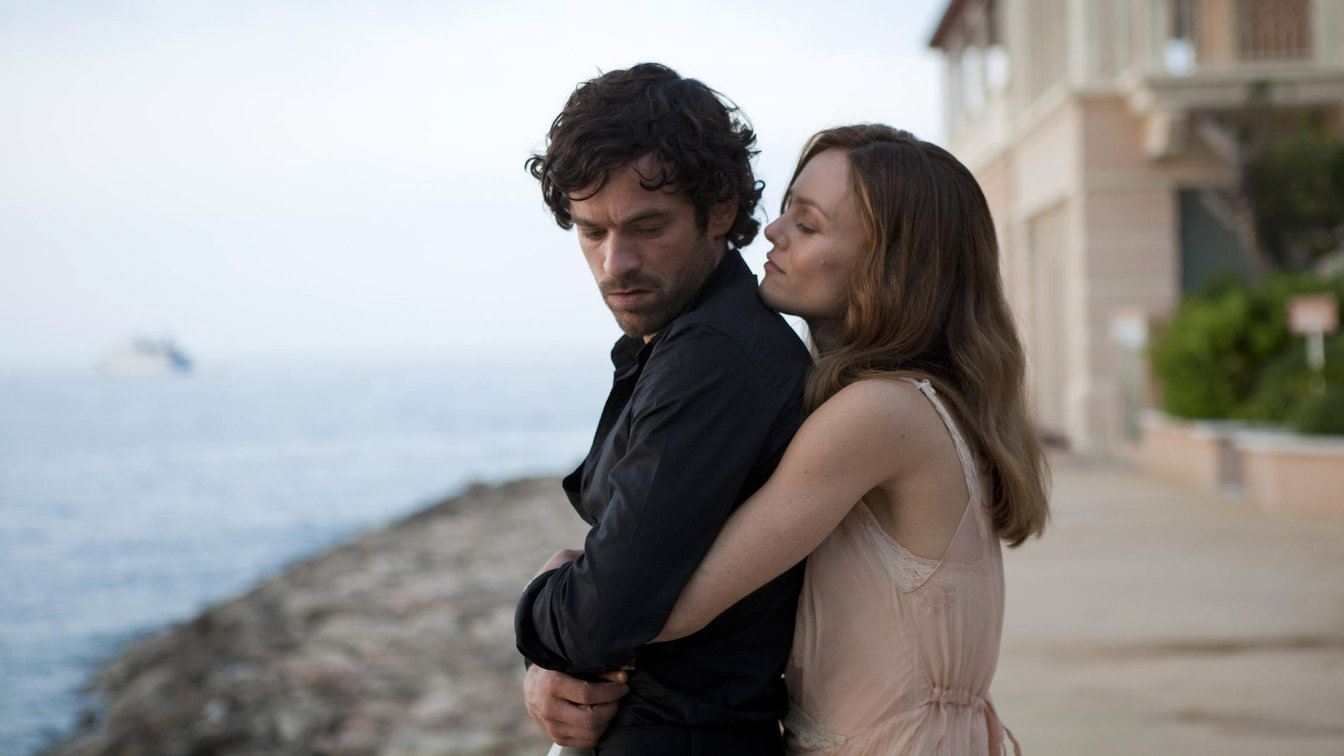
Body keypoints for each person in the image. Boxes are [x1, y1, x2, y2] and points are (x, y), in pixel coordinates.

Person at [642, 124, 1052, 754]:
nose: (772, 232)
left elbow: (666, 605)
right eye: (787, 211)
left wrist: (556, 580)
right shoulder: (930, 404)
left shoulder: (878, 414)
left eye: (807, 225)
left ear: (889, 268)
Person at [513, 63, 813, 754]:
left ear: (720, 211)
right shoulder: (683, 339)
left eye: (647, 227)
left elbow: (601, 619)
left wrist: (541, 596)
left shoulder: (714, 355)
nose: (615, 262)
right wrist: (551, 664)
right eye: (591, 232)